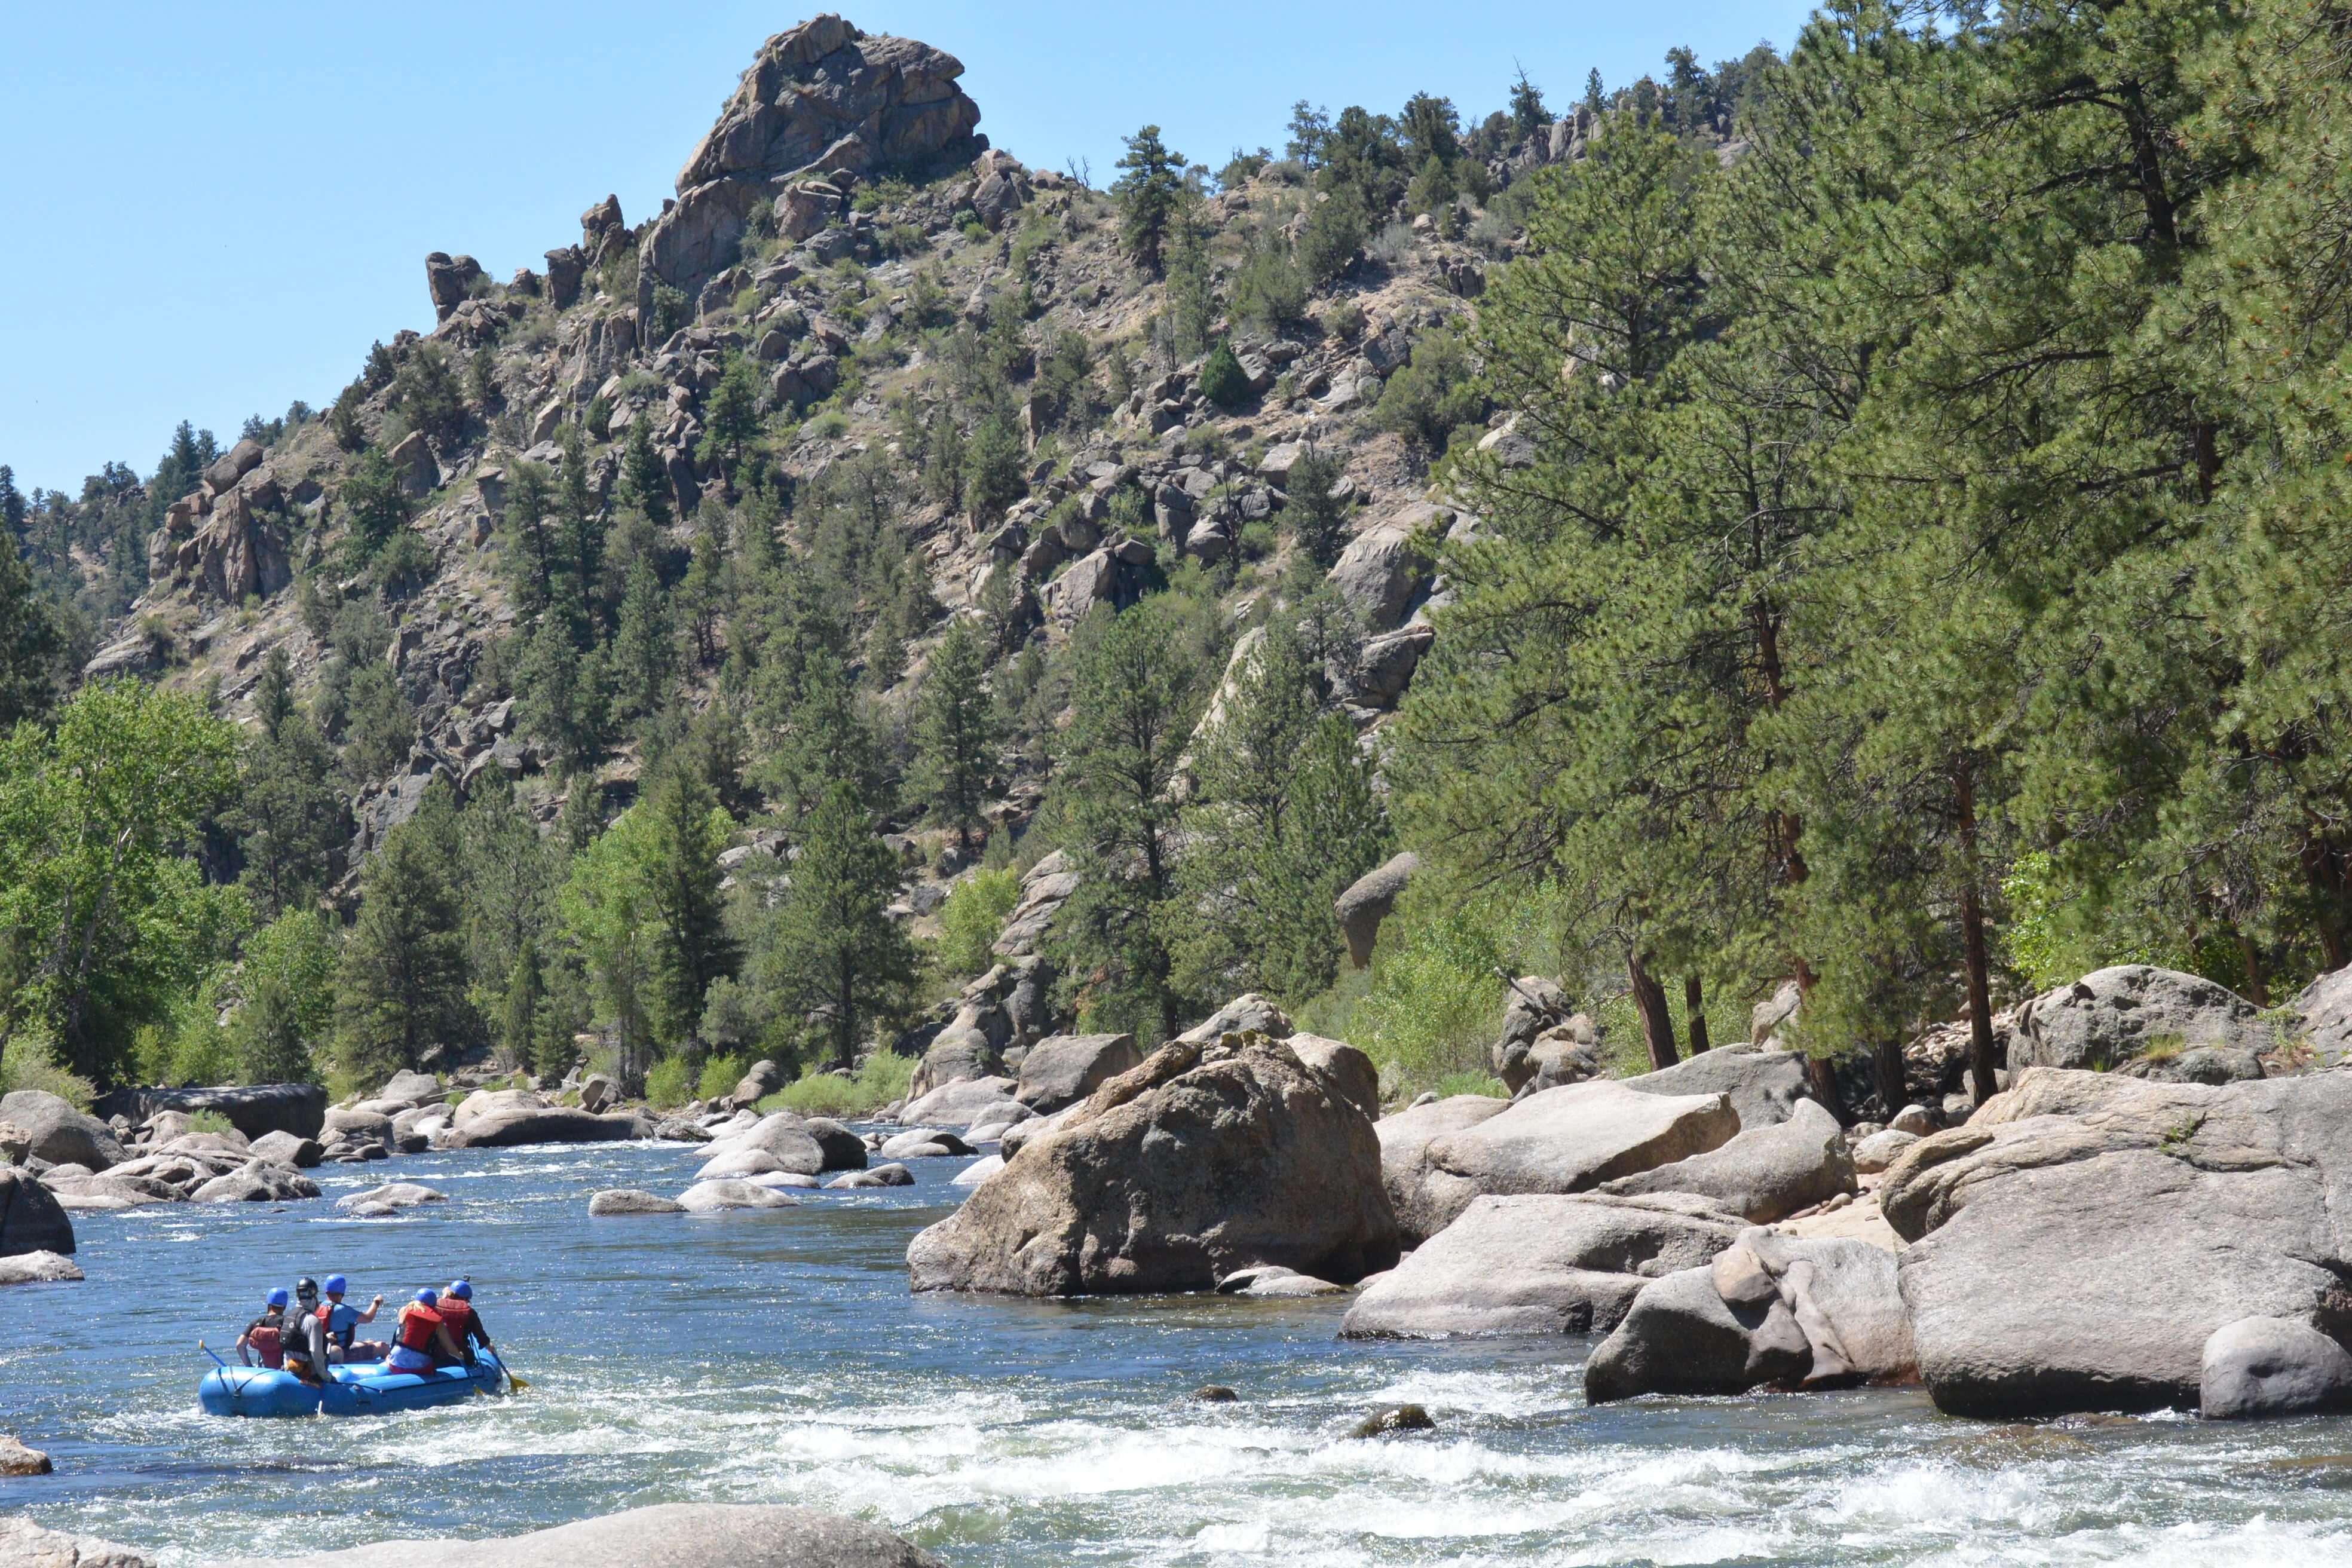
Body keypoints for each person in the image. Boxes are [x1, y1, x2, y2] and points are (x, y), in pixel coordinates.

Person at [387, 1288, 462, 1374]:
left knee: (389, 1357)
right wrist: (461, 1356)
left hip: (395, 1362)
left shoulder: (404, 1311)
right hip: (421, 1366)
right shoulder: (438, 1322)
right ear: (434, 1305)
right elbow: (450, 1349)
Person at [320, 1275, 388, 1363]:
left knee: (369, 1342)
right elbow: (368, 1318)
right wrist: (376, 1302)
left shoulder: (319, 1306)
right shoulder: (342, 1310)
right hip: (341, 1355)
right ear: (342, 1291)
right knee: (383, 1347)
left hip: (325, 1351)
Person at [281, 1278, 330, 1387]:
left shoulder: (288, 1316)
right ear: (314, 1295)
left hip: (289, 1371)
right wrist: (327, 1377)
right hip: (309, 1375)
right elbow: (315, 1352)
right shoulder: (312, 1321)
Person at [434, 1279, 493, 1366]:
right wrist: (491, 1349)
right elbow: (482, 1339)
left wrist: (444, 1297)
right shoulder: (470, 1313)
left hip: (436, 1358)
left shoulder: (435, 1306)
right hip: (462, 1359)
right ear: (466, 1299)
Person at [235, 1289, 289, 1368]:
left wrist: (249, 1367)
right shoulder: (288, 1322)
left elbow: (240, 1345)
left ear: (269, 1305)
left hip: (263, 1372)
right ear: (284, 1307)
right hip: (283, 1372)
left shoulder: (257, 1322)